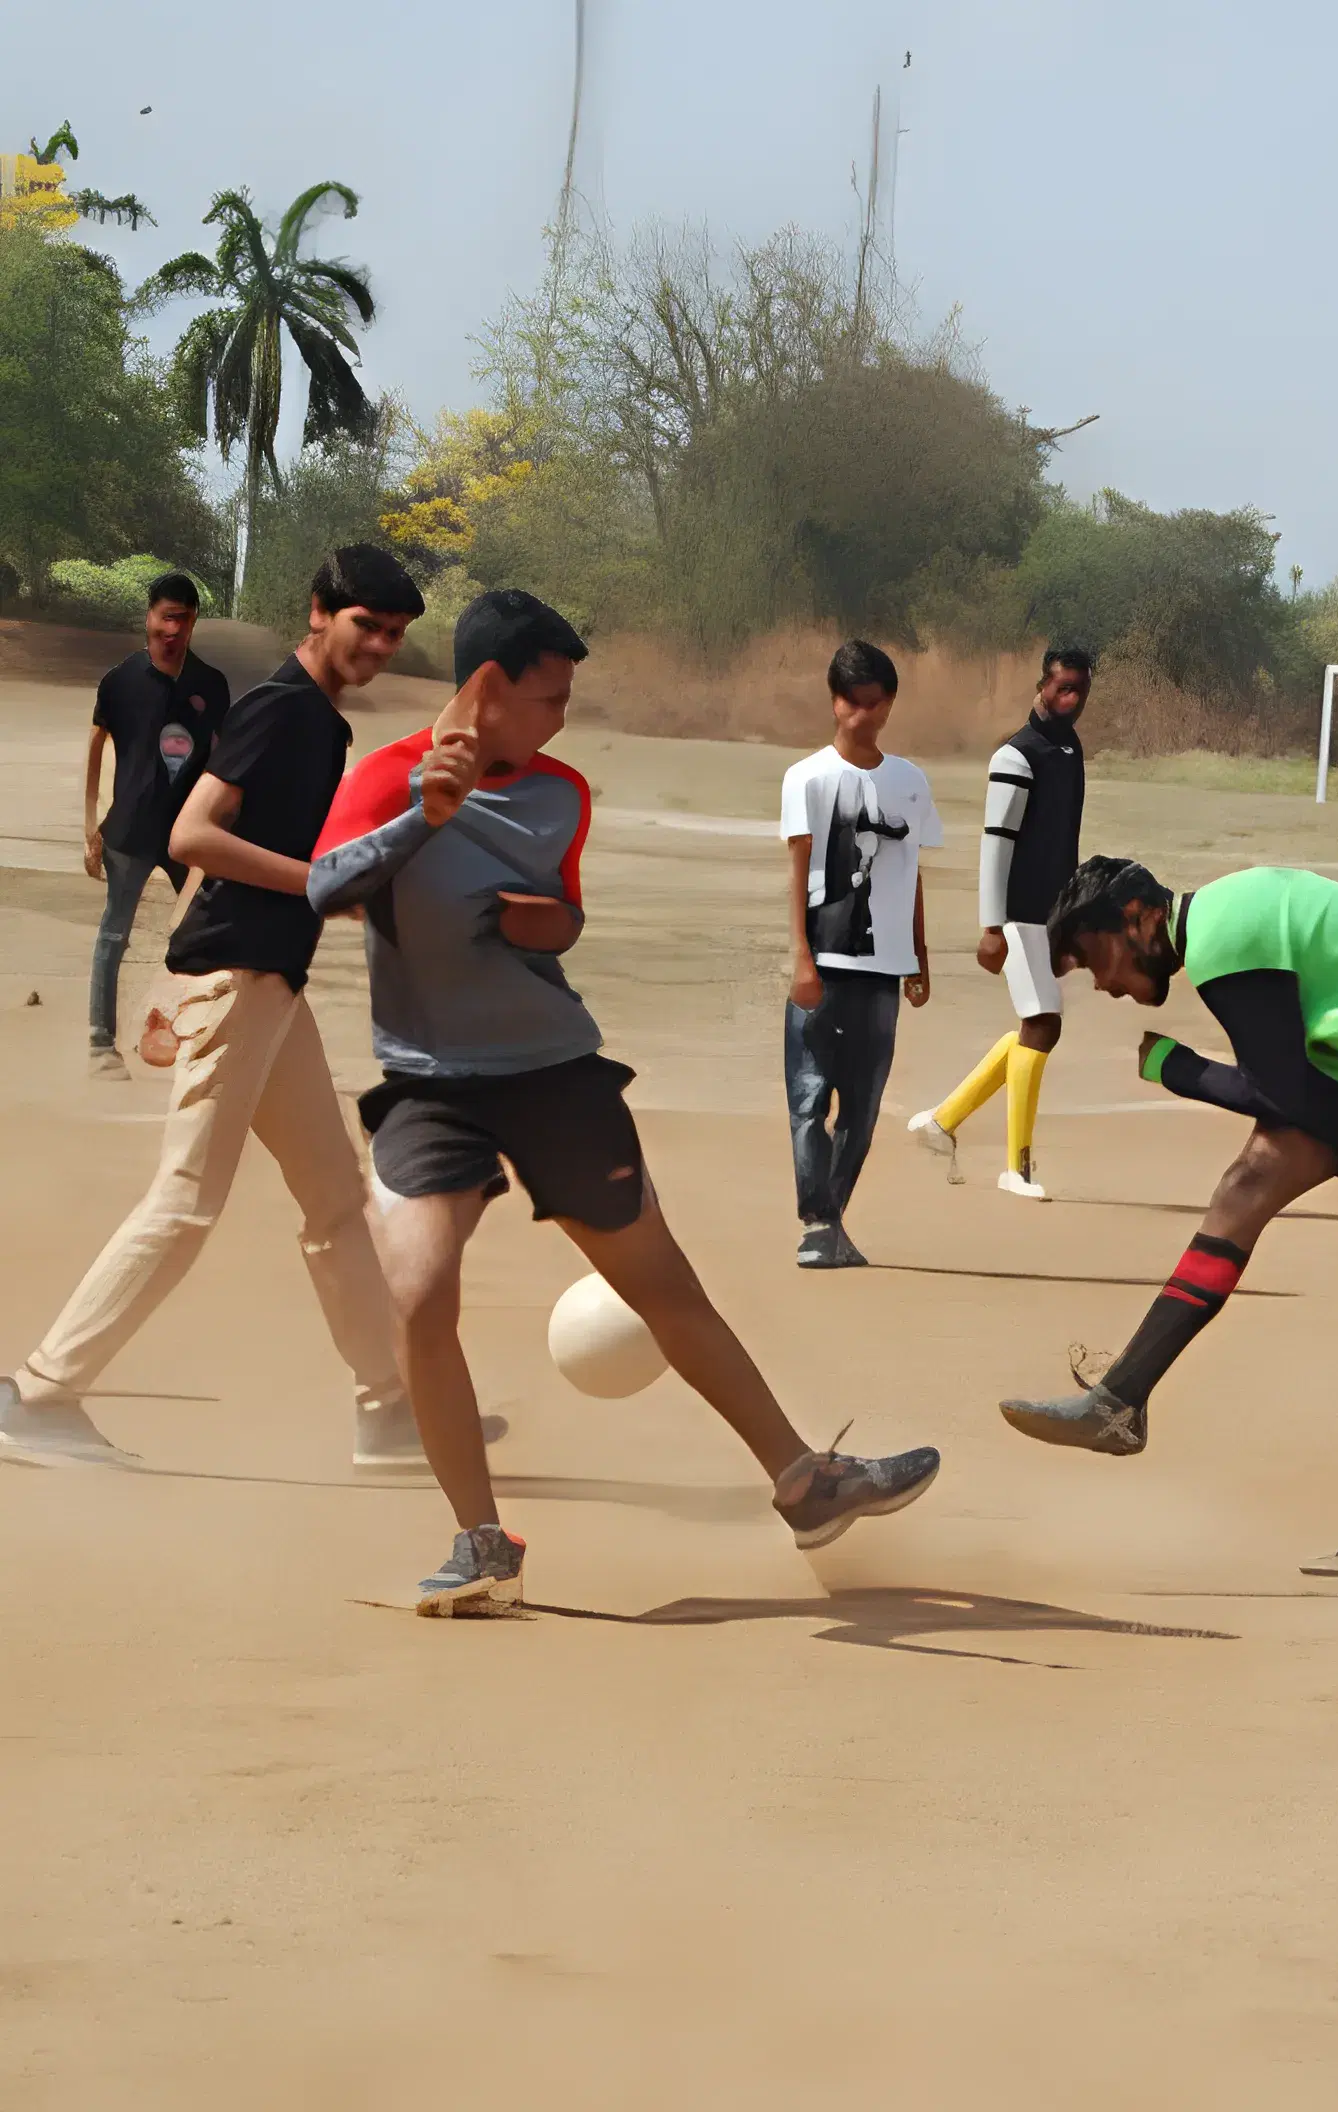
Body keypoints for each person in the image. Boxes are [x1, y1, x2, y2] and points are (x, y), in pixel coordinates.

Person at [309, 590, 944, 1613]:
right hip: (428, 1083)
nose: (561, 715)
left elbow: (565, 915)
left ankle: (804, 1483)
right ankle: (481, 1545)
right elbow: (324, 889)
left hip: (555, 1073)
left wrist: (543, 926)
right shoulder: (387, 777)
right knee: (419, 1299)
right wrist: (421, 821)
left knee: (665, 1288)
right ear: (489, 687)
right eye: (548, 696)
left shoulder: (562, 791)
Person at [0, 546, 474, 1473]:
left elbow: (217, 855)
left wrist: (169, 976)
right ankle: (40, 1393)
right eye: (364, 625)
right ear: (318, 610)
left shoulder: (319, 724)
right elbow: (193, 834)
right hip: (241, 980)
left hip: (267, 986)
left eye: (392, 634)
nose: (377, 644)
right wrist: (318, 885)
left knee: (337, 1201)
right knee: (184, 1203)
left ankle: (386, 1412)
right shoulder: (281, 711)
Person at [1001, 857, 1338, 1574]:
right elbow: (1289, 1092)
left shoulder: (1223, 943)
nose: (1103, 984)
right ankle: (1120, 1404)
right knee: (1249, 1180)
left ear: (1139, 920)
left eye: (1095, 957)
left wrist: (1179, 1069)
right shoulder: (1219, 931)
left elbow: (1280, 1097)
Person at [908, 645, 1092, 1201]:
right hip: (1016, 914)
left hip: (1051, 913)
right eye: (1062, 688)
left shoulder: (1070, 748)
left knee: (1037, 1026)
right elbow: (996, 846)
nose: (1072, 699)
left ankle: (943, 1121)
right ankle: (1017, 1168)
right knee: (1043, 1024)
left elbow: (1064, 841)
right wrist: (990, 926)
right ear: (1041, 685)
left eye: (1081, 690)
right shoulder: (1015, 756)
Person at [778, 641, 939, 1268]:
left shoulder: (909, 781)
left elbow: (913, 871)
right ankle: (816, 1222)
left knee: (863, 1108)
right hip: (823, 961)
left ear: (889, 704)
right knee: (809, 1098)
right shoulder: (808, 777)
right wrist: (801, 957)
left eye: (874, 704)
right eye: (851, 703)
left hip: (884, 969)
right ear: (835, 701)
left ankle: (830, 1221)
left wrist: (920, 956)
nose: (862, 716)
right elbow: (797, 870)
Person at [82, 572, 228, 1078]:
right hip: (128, 831)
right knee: (113, 934)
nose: (173, 630)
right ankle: (102, 1044)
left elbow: (222, 763)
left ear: (192, 624)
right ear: (149, 617)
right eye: (166, 617)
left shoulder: (210, 686)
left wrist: (223, 829)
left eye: (183, 620)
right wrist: (89, 829)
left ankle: (197, 1040)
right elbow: (96, 748)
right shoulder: (119, 682)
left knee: (209, 933)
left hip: (187, 835)